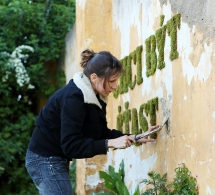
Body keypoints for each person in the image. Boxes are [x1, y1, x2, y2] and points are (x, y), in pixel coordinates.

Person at [25, 49, 158, 195]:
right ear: (94, 77)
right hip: (44, 159)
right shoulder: (73, 98)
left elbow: (101, 133)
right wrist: (109, 143)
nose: (115, 86)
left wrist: (134, 137)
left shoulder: (93, 97)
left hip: (56, 159)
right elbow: (71, 146)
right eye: (112, 81)